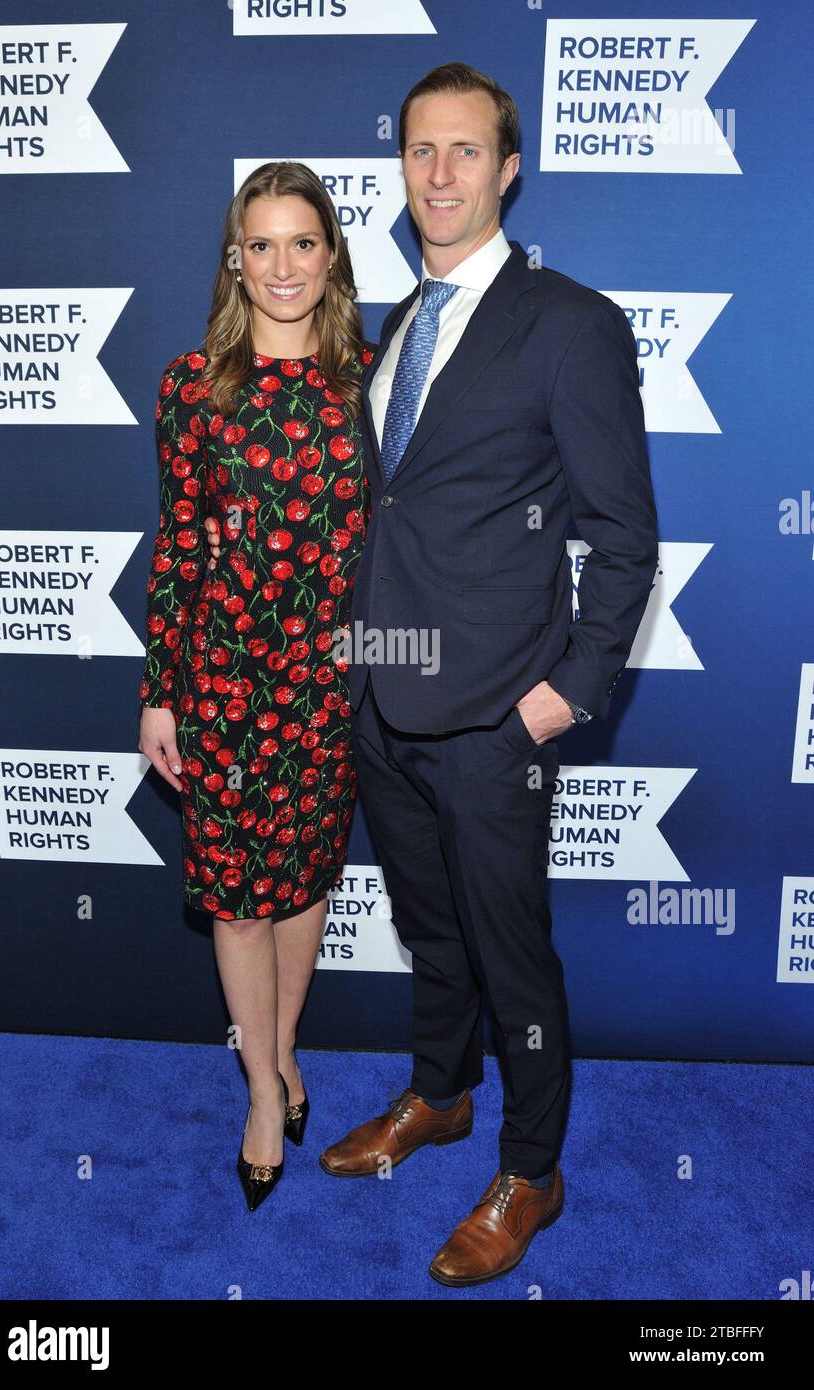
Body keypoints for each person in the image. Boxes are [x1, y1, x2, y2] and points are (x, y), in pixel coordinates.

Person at [317, 62, 660, 1287]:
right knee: (431, 932)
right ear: (399, 169)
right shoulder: (390, 327)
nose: (442, 174)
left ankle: (532, 1165)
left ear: (508, 169)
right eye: (421, 152)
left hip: (497, 715)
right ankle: (440, 1095)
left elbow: (625, 535)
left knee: (512, 953)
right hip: (383, 692)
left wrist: (561, 694)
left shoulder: (569, 323)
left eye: (467, 152)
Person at [137, 161, 372, 1211]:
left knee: (305, 880)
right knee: (235, 896)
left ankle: (278, 1056)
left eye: (303, 243)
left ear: (331, 255)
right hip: (220, 680)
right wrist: (159, 689)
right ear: (236, 258)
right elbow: (179, 545)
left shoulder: (371, 380)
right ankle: (263, 1090)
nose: (283, 266)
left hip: (326, 685)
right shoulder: (194, 384)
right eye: (261, 244)